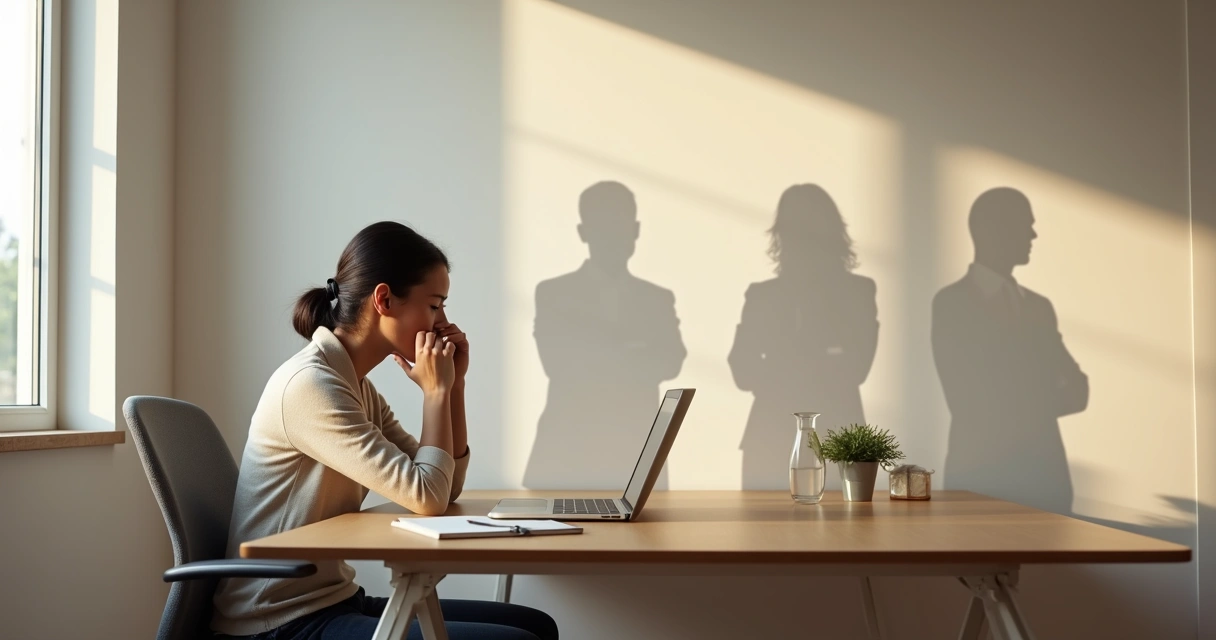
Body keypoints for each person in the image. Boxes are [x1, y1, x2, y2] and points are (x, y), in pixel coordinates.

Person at [212, 222, 558, 639]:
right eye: (434, 305)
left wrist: (454, 388)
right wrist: (435, 392)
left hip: (331, 600)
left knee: (536, 625)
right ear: (384, 299)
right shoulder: (311, 387)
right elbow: (427, 497)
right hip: (276, 622)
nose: (443, 322)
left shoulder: (357, 388)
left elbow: (444, 486)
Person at [932, 187, 1087, 515]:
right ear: (992, 229)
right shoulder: (951, 304)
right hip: (979, 477)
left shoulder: (1040, 307)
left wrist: (1010, 392)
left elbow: (1078, 390)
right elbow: (965, 398)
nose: (1033, 234)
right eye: (1024, 224)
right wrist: (1042, 390)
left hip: (1046, 481)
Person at [729, 184, 879, 489]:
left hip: (839, 440)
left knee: (847, 534)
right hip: (769, 440)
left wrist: (781, 367)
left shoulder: (858, 293)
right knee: (764, 534)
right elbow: (741, 369)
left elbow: (857, 368)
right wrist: (820, 360)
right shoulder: (762, 296)